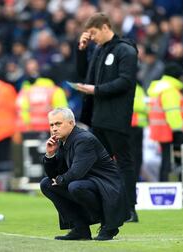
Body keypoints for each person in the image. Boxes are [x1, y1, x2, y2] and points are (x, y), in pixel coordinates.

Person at [75, 12, 139, 222]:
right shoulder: (99, 51)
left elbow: (126, 82)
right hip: (98, 117)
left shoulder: (125, 50)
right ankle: (103, 207)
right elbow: (84, 77)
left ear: (105, 27)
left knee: (123, 162)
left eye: (93, 33)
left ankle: (130, 210)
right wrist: (82, 51)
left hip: (117, 117)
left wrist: (96, 90)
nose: (92, 37)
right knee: (97, 164)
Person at [40, 108, 128, 241]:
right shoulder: (63, 141)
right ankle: (80, 229)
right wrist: (50, 155)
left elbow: (77, 172)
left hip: (106, 186)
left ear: (71, 123)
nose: (54, 128)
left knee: (75, 186)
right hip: (87, 182)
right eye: (51, 125)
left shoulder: (84, 139)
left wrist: (60, 179)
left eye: (58, 124)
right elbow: (54, 174)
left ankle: (109, 225)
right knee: (46, 184)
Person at [147, 63, 183, 181]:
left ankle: (164, 185)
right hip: (170, 132)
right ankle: (170, 187)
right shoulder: (170, 90)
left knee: (165, 161)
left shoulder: (160, 88)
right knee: (170, 163)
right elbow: (172, 113)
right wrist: (179, 131)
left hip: (159, 131)